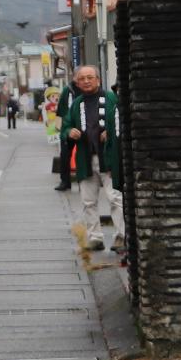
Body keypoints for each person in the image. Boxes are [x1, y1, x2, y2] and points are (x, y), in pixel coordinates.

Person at [59, 66, 122, 250]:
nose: (86, 81)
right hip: (85, 158)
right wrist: (69, 132)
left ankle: (122, 236)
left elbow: (121, 121)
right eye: (82, 78)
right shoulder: (76, 104)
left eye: (90, 77)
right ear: (77, 83)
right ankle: (95, 237)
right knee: (88, 201)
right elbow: (65, 127)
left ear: (98, 80)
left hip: (108, 157)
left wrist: (111, 132)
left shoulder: (111, 98)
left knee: (115, 198)